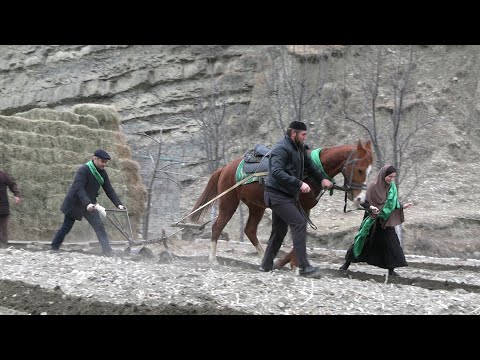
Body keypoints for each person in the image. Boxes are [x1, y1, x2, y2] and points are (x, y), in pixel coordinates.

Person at [259, 121, 333, 276]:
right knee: (299, 222)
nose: (305, 137)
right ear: (293, 133)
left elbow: (310, 166)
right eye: (303, 134)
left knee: (279, 231)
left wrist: (322, 179)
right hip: (276, 194)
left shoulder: (299, 148)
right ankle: (304, 267)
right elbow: (277, 172)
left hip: (286, 195)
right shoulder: (281, 148)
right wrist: (299, 183)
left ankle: (265, 265)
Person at [339, 164, 413, 276]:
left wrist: (402, 206)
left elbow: (392, 203)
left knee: (391, 243)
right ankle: (346, 265)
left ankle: (391, 271)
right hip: (372, 220)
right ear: (383, 175)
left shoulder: (392, 187)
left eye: (393, 177)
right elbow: (363, 201)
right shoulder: (373, 187)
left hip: (384, 220)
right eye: (390, 176)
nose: (391, 179)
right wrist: (371, 207)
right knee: (362, 241)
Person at [51, 149, 126, 257]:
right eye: (102, 161)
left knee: (99, 226)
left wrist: (118, 204)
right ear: (94, 158)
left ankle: (108, 252)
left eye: (105, 162)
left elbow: (109, 189)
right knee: (66, 227)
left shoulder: (103, 173)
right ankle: (54, 248)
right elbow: (79, 189)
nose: (104, 164)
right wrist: (87, 204)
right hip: (75, 203)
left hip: (90, 204)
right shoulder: (84, 170)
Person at [0, 170, 22, 247]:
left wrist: (17, 195)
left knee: (3, 229)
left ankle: (3, 246)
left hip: (3, 207)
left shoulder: (3, 175)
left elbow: (12, 185)